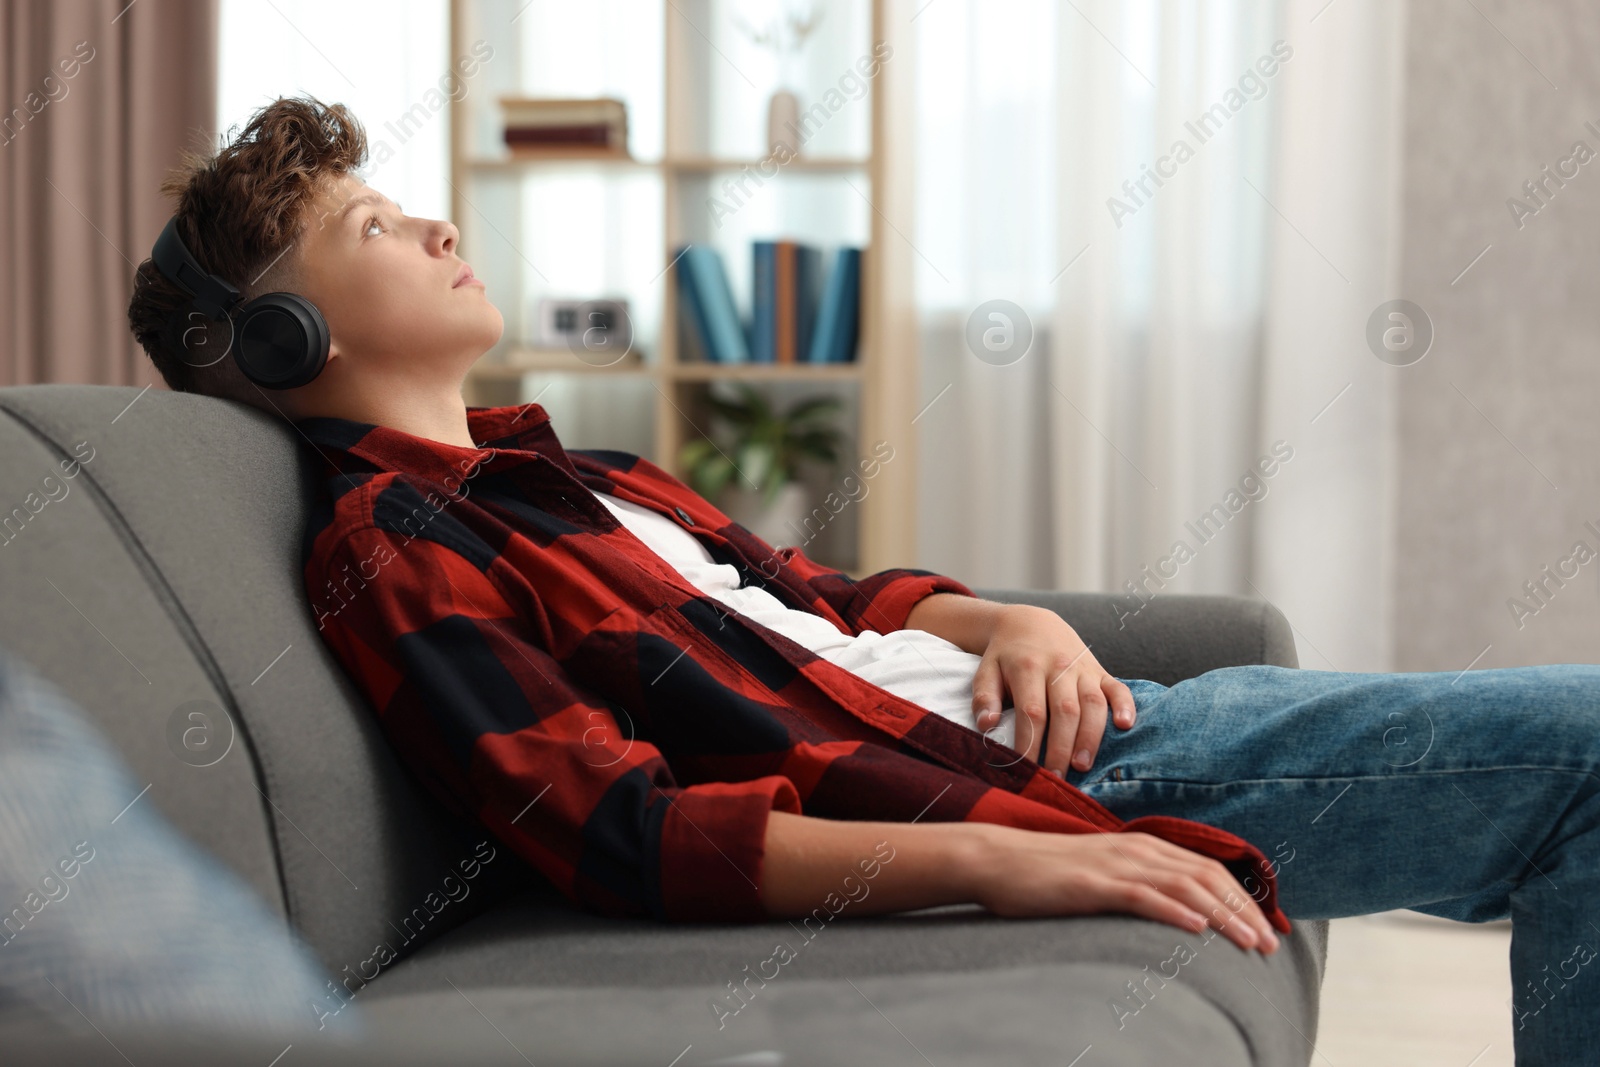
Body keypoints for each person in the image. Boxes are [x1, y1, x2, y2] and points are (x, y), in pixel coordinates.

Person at [127, 96, 1600, 1063]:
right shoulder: (396, 548)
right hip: (1024, 777)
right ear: (279, 345)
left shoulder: (565, 474)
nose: (440, 224)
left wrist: (1002, 616)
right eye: (372, 228)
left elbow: (820, 597)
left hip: (1067, 718)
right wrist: (1010, 856)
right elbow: (619, 829)